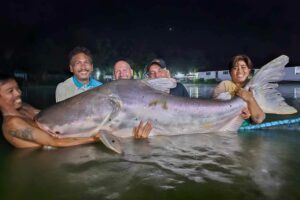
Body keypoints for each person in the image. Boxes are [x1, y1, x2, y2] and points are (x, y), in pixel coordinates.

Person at [0, 74, 102, 148]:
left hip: (62, 142)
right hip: (45, 157)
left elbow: (53, 117)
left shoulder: (24, 107)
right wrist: (94, 139)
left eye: (17, 88)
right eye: (10, 91)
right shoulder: (12, 123)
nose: (18, 93)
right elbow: (54, 142)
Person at [212, 54, 265, 124]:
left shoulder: (253, 89)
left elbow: (259, 119)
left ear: (249, 70)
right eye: (235, 68)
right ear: (230, 72)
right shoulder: (224, 85)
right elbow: (214, 112)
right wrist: (239, 110)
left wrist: (250, 100)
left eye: (243, 67)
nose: (239, 71)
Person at [113, 60, 152, 138]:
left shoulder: (145, 88)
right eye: (118, 71)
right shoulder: (110, 93)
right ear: (114, 75)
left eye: (124, 70)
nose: (121, 73)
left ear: (131, 72)